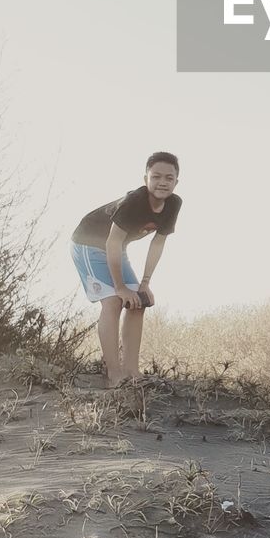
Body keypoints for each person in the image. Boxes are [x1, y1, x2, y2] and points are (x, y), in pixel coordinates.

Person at [70, 152, 181, 387]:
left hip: (116, 248)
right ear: (146, 178)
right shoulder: (134, 202)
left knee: (138, 302)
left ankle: (132, 371)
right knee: (113, 301)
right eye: (156, 176)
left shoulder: (173, 204)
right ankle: (114, 374)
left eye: (169, 178)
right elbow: (112, 242)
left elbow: (157, 244)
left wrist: (145, 283)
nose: (162, 182)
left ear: (176, 182)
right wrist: (120, 287)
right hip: (89, 243)